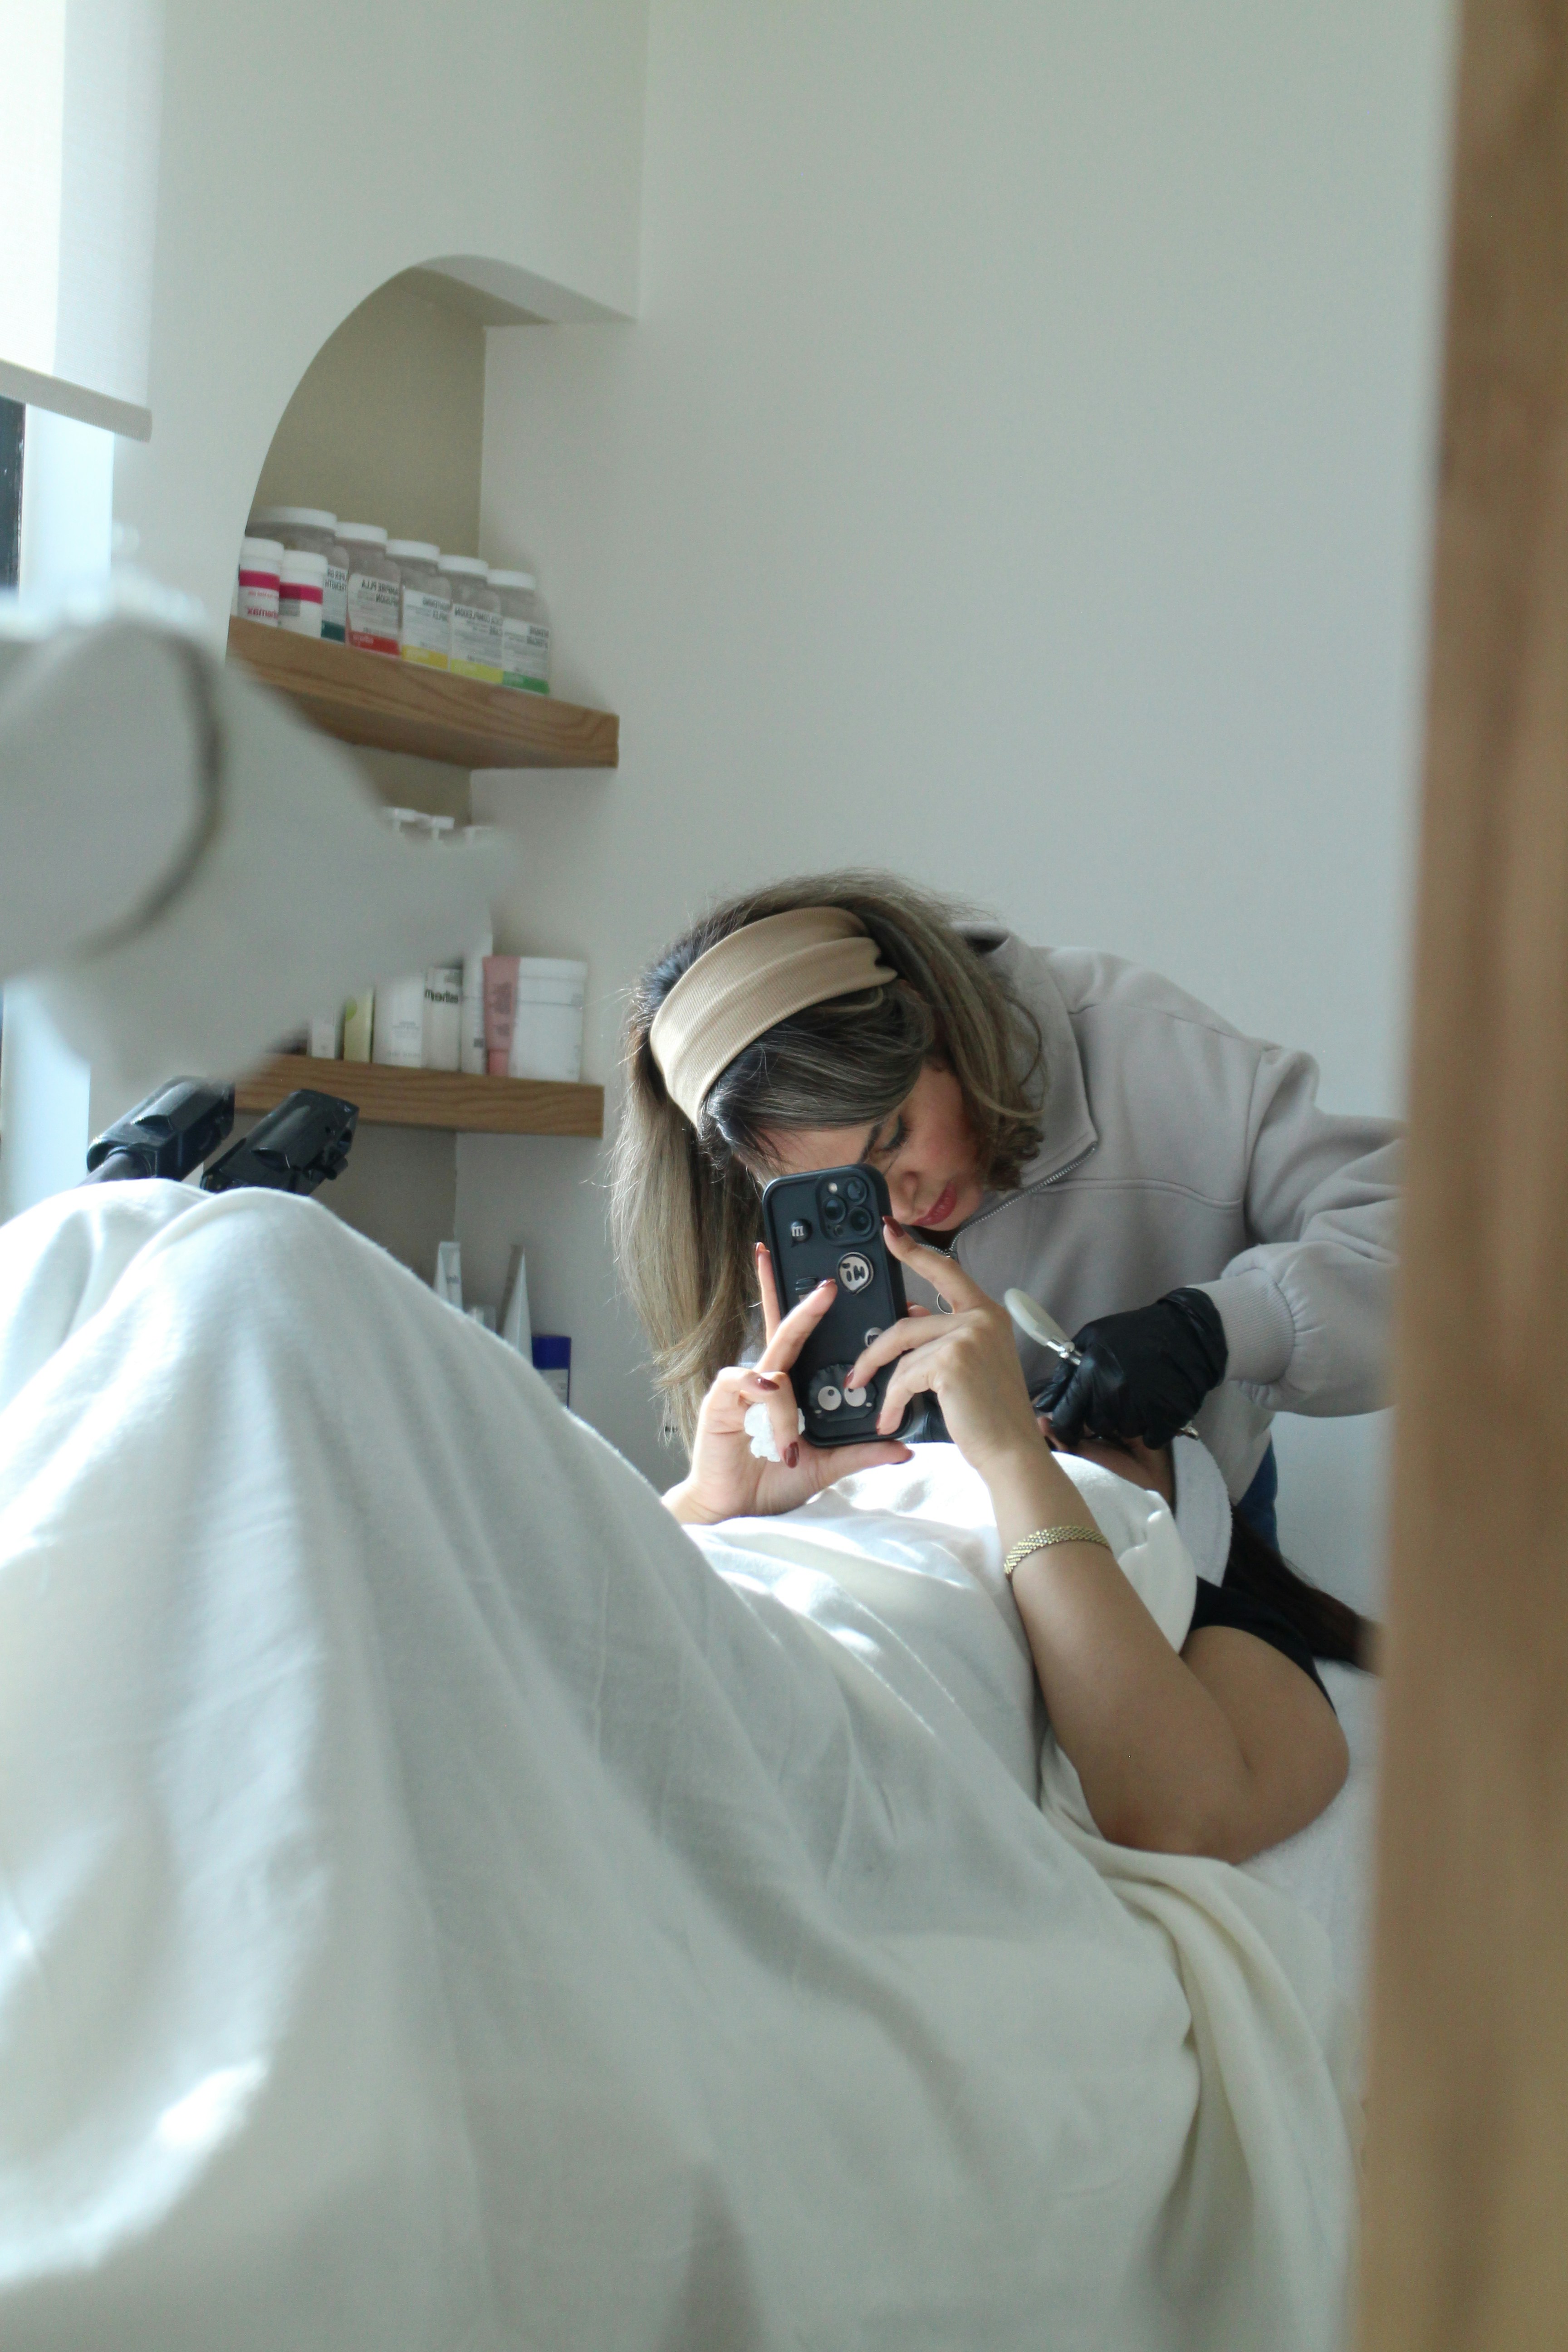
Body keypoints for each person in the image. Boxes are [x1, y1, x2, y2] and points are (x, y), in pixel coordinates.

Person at [612, 872, 1401, 1546]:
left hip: (1184, 1525)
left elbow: (1435, 1251)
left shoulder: (1151, 1054)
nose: (904, 1201)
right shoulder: (744, 1205)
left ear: (935, 1026)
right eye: (843, 1193)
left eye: (895, 1137)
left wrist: (1218, 1329)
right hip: (924, 1568)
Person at [663, 1215, 1362, 1862]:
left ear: (1188, 1532)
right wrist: (707, 1506)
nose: (1046, 1425)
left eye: (1097, 1436)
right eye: (1030, 1411)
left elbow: (1186, 1815)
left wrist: (1013, 1458)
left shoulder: (1218, 1624)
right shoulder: (858, 1496)